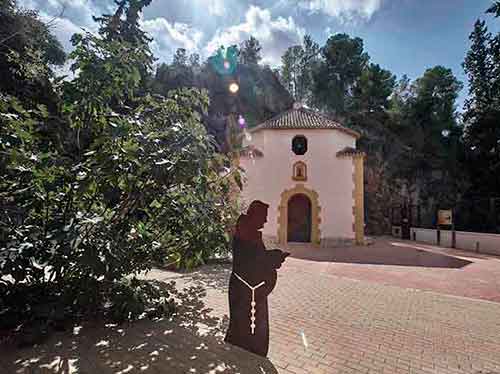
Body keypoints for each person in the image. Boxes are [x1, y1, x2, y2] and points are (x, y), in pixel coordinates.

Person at [224, 200, 290, 357]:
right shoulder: (246, 232)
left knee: (244, 326)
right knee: (247, 326)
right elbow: (252, 262)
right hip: (246, 290)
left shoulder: (248, 231)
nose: (266, 221)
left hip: (249, 289)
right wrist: (275, 257)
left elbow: (256, 258)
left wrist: (273, 256)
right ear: (255, 215)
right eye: (264, 216)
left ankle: (242, 354)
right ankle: (243, 356)